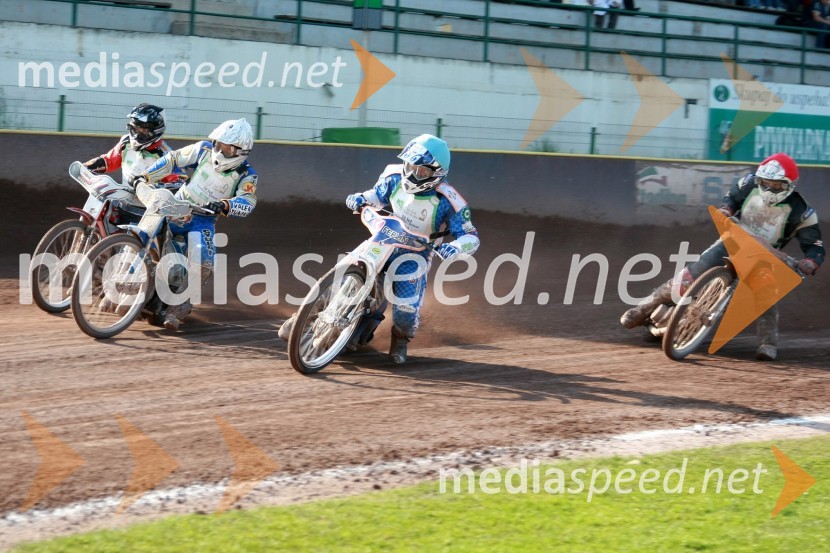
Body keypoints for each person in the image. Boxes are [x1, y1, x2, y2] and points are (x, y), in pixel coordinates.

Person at [278, 134, 481, 364]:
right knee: (340, 276)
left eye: (421, 170)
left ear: (437, 173)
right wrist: (361, 198)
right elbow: (377, 196)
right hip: (383, 238)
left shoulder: (450, 201)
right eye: (410, 165)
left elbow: (470, 236)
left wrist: (455, 248)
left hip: (414, 254)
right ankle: (298, 320)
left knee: (406, 306)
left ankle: (400, 341)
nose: (412, 173)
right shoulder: (394, 175)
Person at [620, 153, 824, 361]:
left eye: (777, 185)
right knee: (688, 277)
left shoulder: (803, 212)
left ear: (790, 185)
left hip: (764, 257)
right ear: (759, 179)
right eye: (765, 183)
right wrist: (726, 209)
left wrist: (810, 261)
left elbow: (815, 246)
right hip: (733, 240)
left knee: (766, 295)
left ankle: (767, 344)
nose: (770, 189)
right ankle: (642, 309)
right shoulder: (748, 182)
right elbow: (731, 199)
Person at [132, 118, 258, 331]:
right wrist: (146, 176)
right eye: (218, 144)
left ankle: (179, 306)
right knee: (139, 231)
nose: (219, 150)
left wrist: (225, 205)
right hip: (174, 205)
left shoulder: (247, 174)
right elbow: (173, 159)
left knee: (205, 260)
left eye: (227, 148)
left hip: (202, 219)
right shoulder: (203, 149)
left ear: (241, 152)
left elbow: (248, 201)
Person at [83, 103, 183, 225]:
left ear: (156, 131)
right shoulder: (126, 142)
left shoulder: (167, 155)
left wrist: (156, 187)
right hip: (122, 204)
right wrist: (86, 167)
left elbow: (180, 184)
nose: (136, 135)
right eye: (135, 129)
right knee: (97, 221)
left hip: (148, 214)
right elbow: (108, 161)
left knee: (131, 243)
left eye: (143, 130)